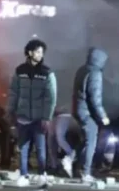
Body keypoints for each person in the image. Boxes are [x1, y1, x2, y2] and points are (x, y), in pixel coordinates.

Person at [7, 39, 57, 186]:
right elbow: (13, 93)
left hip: (39, 118)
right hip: (22, 116)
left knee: (40, 147)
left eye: (42, 52)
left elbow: (51, 97)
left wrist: (47, 117)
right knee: (23, 147)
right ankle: (23, 175)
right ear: (30, 52)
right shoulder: (19, 71)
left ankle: (42, 174)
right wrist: (10, 111)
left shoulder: (47, 73)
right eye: (38, 52)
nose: (41, 55)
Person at [71, 47, 110, 182]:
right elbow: (95, 98)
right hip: (87, 112)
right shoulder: (95, 73)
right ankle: (86, 172)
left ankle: (70, 158)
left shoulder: (82, 69)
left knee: (86, 140)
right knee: (91, 141)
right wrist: (102, 115)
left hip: (77, 109)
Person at [47, 108, 79, 177]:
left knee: (60, 138)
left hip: (64, 114)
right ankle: (54, 166)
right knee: (51, 141)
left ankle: (71, 154)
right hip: (52, 114)